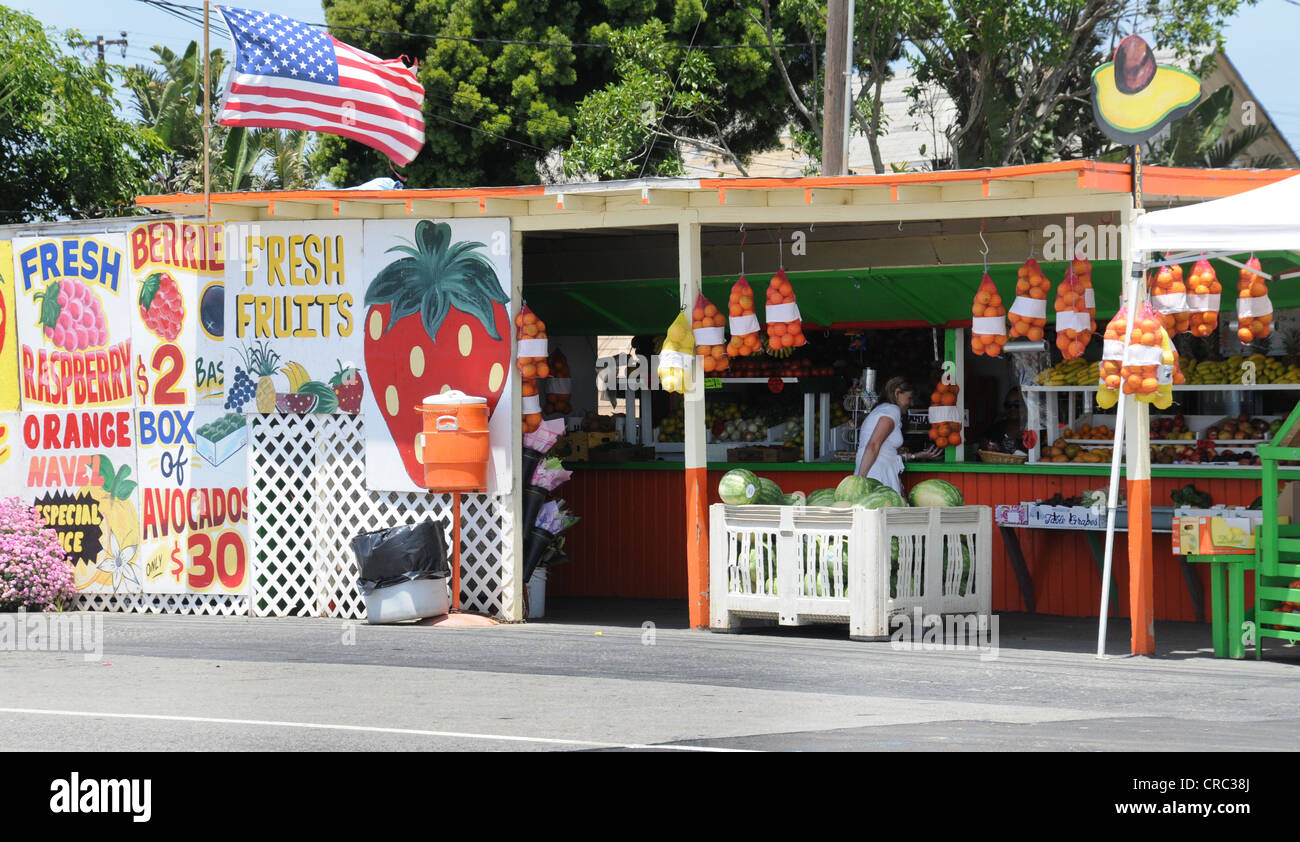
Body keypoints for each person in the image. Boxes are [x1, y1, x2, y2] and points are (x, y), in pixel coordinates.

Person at [854, 377, 942, 494]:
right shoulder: (892, 410)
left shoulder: (882, 409)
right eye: (909, 398)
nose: (912, 403)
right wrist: (860, 481)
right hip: (877, 475)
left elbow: (885, 452)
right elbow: (873, 445)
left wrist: (915, 456)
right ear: (897, 393)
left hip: (873, 472)